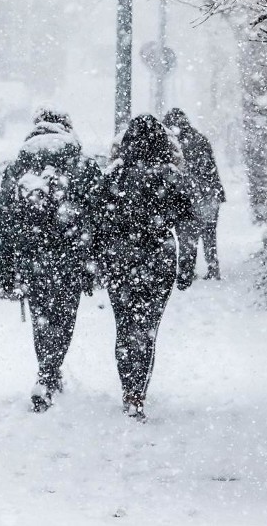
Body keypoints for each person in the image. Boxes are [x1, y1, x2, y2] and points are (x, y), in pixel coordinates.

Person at [0, 108, 101, 412]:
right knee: (65, 318)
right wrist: (94, 261)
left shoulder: (18, 165)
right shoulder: (81, 164)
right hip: (70, 255)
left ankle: (47, 371)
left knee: (42, 318)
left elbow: (4, 219)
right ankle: (49, 372)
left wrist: (3, 266)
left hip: (32, 255)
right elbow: (96, 215)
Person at [90, 114, 193, 422]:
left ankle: (128, 391)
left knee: (124, 326)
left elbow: (97, 222)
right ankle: (139, 392)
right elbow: (187, 224)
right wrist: (187, 263)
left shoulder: (114, 176)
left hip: (118, 259)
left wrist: (95, 260)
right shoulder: (171, 177)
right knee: (147, 329)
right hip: (158, 259)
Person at [163, 107, 226, 281]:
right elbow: (210, 168)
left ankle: (187, 271)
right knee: (208, 233)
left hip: (192, 195)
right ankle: (213, 267)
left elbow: (181, 173)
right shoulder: (199, 139)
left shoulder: (175, 146)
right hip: (210, 193)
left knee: (187, 234)